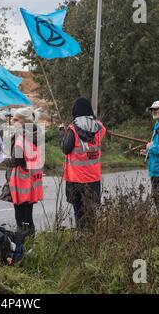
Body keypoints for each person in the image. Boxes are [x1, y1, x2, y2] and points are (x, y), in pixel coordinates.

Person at [0, 107, 43, 261]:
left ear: (25, 121)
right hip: (32, 181)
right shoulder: (36, 135)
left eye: (16, 119)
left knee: (21, 221)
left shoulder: (21, 137)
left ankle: (20, 254)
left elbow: (16, 160)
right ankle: (30, 249)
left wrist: (3, 159)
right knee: (28, 219)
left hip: (21, 183)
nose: (12, 121)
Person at [59, 97, 106, 229]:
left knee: (79, 212)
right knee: (91, 213)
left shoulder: (72, 129)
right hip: (93, 178)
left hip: (76, 179)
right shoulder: (99, 127)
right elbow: (102, 130)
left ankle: (82, 239)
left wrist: (62, 133)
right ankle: (91, 241)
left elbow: (65, 148)